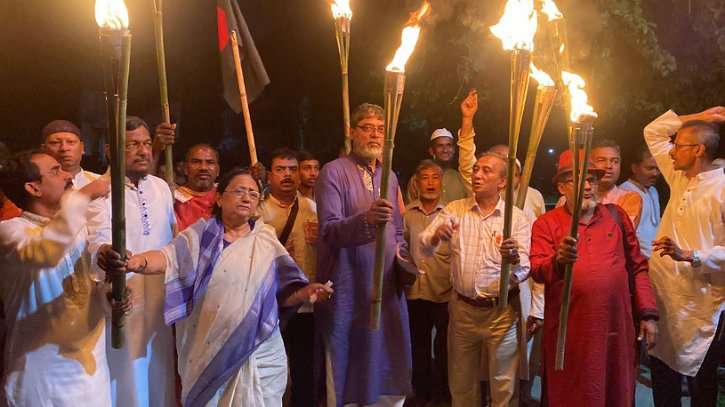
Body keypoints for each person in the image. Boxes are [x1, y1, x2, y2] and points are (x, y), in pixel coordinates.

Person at [107, 168, 333, 406]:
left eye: (254, 194)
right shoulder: (198, 236)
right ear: (219, 197)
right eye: (239, 191)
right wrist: (135, 262)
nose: (247, 198)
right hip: (207, 350)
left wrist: (306, 293)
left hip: (261, 352)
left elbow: (283, 294)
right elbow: (166, 258)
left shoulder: (266, 239)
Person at [530, 150, 659, 407]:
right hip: (571, 332)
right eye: (577, 180)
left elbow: (637, 267)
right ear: (561, 187)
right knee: (571, 392)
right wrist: (558, 261)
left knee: (615, 388)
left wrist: (647, 313)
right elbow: (537, 269)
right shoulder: (547, 223)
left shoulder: (616, 217)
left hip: (614, 328)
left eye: (591, 179)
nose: (587, 186)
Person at [0, 150, 119, 406]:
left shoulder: (77, 228)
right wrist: (84, 195)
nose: (67, 175)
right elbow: (43, 253)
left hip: (90, 379)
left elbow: (83, 291)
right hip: (40, 380)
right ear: (33, 188)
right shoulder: (10, 233)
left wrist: (109, 296)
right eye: (55, 171)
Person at [315, 103, 412, 407]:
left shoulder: (390, 176)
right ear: (352, 131)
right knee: (347, 365)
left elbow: (396, 230)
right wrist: (366, 220)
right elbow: (329, 230)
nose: (374, 134)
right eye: (367, 127)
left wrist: (405, 258)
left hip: (385, 287)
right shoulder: (333, 171)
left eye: (381, 129)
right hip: (349, 288)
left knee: (389, 361)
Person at [419, 152, 531, 407]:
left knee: (504, 385)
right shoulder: (455, 210)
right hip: (462, 311)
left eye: (487, 171)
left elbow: (525, 268)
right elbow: (423, 247)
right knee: (461, 384)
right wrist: (436, 236)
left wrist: (513, 258)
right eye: (476, 169)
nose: (477, 175)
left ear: (502, 182)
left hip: (501, 313)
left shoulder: (516, 218)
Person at [89, 116, 178, 407]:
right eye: (132, 145)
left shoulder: (162, 188)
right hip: (120, 304)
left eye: (147, 144)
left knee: (158, 375)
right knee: (124, 378)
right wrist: (105, 260)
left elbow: (171, 241)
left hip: (160, 307)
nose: (143, 151)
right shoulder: (99, 190)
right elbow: (94, 242)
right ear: (109, 150)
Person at [643, 107, 725, 407]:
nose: (672, 151)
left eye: (678, 145)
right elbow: (652, 131)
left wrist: (691, 255)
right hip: (663, 297)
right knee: (663, 380)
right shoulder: (679, 177)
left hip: (701, 304)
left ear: (699, 150)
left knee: (702, 384)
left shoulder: (722, 188)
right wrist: (699, 116)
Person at [258, 148, 318, 407]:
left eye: (293, 169)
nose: (287, 175)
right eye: (280, 170)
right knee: (274, 370)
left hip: (309, 303)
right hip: (275, 304)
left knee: (306, 369)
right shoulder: (259, 212)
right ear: (269, 176)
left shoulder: (313, 208)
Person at [403, 160, 451, 407]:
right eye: (425, 178)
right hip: (414, 290)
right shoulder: (407, 214)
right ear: (416, 182)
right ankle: (421, 394)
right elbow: (401, 249)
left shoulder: (450, 214)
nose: (430, 183)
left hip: (443, 290)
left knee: (443, 348)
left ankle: (443, 395)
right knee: (417, 345)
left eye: (435, 178)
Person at [406, 91, 476, 204]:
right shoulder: (417, 179)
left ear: (454, 149)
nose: (445, 150)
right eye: (440, 146)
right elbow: (410, 210)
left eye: (449, 145)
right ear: (431, 150)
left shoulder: (461, 178)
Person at [556, 139, 643, 228]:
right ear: (588, 164)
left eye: (615, 161)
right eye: (601, 160)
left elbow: (618, 234)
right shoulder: (564, 200)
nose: (609, 166)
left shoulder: (629, 198)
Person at [619, 145, 661, 258]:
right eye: (650, 168)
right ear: (634, 168)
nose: (655, 173)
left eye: (658, 169)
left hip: (658, 259)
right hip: (640, 260)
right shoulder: (625, 192)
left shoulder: (653, 190)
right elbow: (629, 233)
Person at [41, 120, 100, 189]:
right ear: (43, 149)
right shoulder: (39, 186)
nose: (64, 148)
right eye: (55, 143)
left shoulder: (102, 183)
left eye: (71, 142)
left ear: (82, 148)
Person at [174, 144, 220, 231]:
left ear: (218, 170)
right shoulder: (173, 199)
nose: (203, 168)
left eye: (210, 162)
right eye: (196, 162)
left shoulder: (226, 196)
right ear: (185, 169)